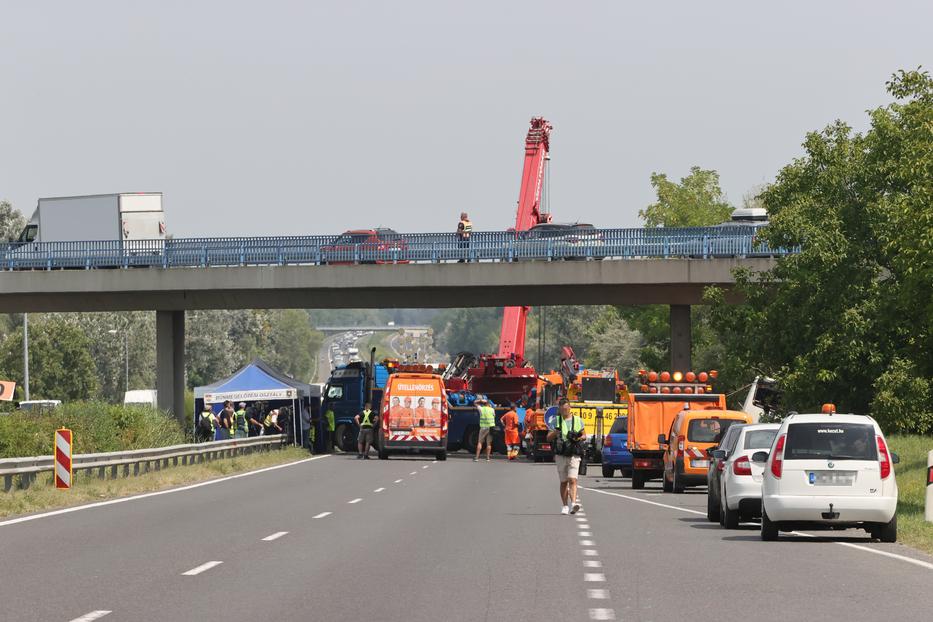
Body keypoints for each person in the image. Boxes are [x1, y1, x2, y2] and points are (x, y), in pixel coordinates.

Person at [547, 398, 586, 515]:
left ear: (570, 408)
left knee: (572, 479)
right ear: (559, 409)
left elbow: (584, 435)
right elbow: (548, 438)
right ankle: (565, 506)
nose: (564, 411)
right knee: (564, 482)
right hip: (561, 455)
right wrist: (556, 432)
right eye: (562, 409)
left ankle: (573, 503)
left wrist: (577, 437)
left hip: (574, 453)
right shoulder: (556, 421)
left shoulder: (578, 420)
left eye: (566, 408)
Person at [474, 397, 496, 462]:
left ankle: (477, 458)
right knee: (489, 443)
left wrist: (480, 400)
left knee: (480, 442)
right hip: (491, 427)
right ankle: (488, 458)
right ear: (489, 404)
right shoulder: (492, 409)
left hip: (483, 427)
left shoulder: (481, 409)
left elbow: (475, 403)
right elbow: (494, 415)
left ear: (484, 404)